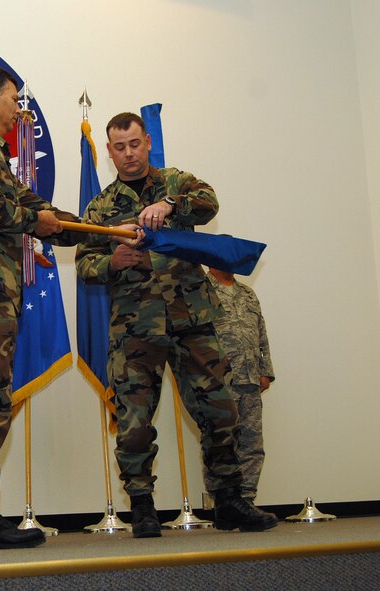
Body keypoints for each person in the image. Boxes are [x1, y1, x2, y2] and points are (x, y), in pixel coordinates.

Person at [0, 67, 136, 550]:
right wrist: (37, 220)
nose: (17, 109)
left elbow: (33, 207)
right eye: (12, 98)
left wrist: (93, 230)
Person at [75, 113, 277, 537]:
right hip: (135, 329)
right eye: (119, 147)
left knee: (221, 412)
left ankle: (228, 501)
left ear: (147, 142)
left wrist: (171, 205)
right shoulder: (100, 207)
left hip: (193, 320)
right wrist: (111, 261)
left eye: (135, 144)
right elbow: (84, 264)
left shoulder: (177, 182)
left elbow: (210, 202)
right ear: (109, 152)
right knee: (133, 422)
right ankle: (144, 508)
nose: (129, 154)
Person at [205, 266, 274, 501]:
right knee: (220, 443)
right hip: (219, 381)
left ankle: (247, 499)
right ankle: (224, 502)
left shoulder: (247, 293)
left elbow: (261, 334)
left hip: (250, 379)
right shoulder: (201, 291)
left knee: (252, 444)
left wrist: (266, 371)